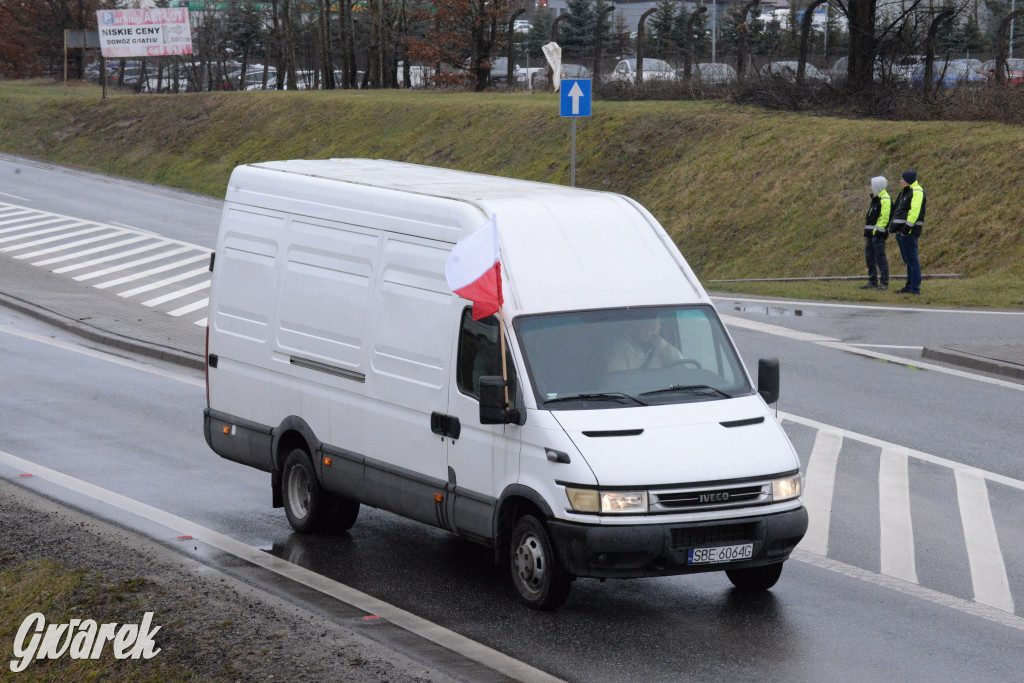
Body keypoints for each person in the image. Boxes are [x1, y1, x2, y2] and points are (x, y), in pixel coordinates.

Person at [605, 315, 684, 372]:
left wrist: (664, 347)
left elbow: (685, 369)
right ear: (637, 326)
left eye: (653, 329)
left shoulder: (664, 347)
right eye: (644, 328)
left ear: (659, 328)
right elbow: (618, 378)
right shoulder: (621, 346)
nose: (648, 333)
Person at [891, 170, 926, 295]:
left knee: (912, 260)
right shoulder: (907, 191)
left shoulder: (916, 191)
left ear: (908, 180)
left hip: (909, 231)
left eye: (902, 179)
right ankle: (909, 285)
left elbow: (914, 213)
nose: (900, 181)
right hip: (902, 231)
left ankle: (915, 288)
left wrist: (906, 229)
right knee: (908, 260)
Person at [861, 176, 892, 290]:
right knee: (869, 257)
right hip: (870, 234)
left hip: (878, 234)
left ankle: (884, 283)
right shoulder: (876, 199)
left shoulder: (885, 199)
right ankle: (872, 281)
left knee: (880, 258)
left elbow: (885, 217)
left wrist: (878, 231)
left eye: (872, 185)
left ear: (877, 186)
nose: (870, 188)